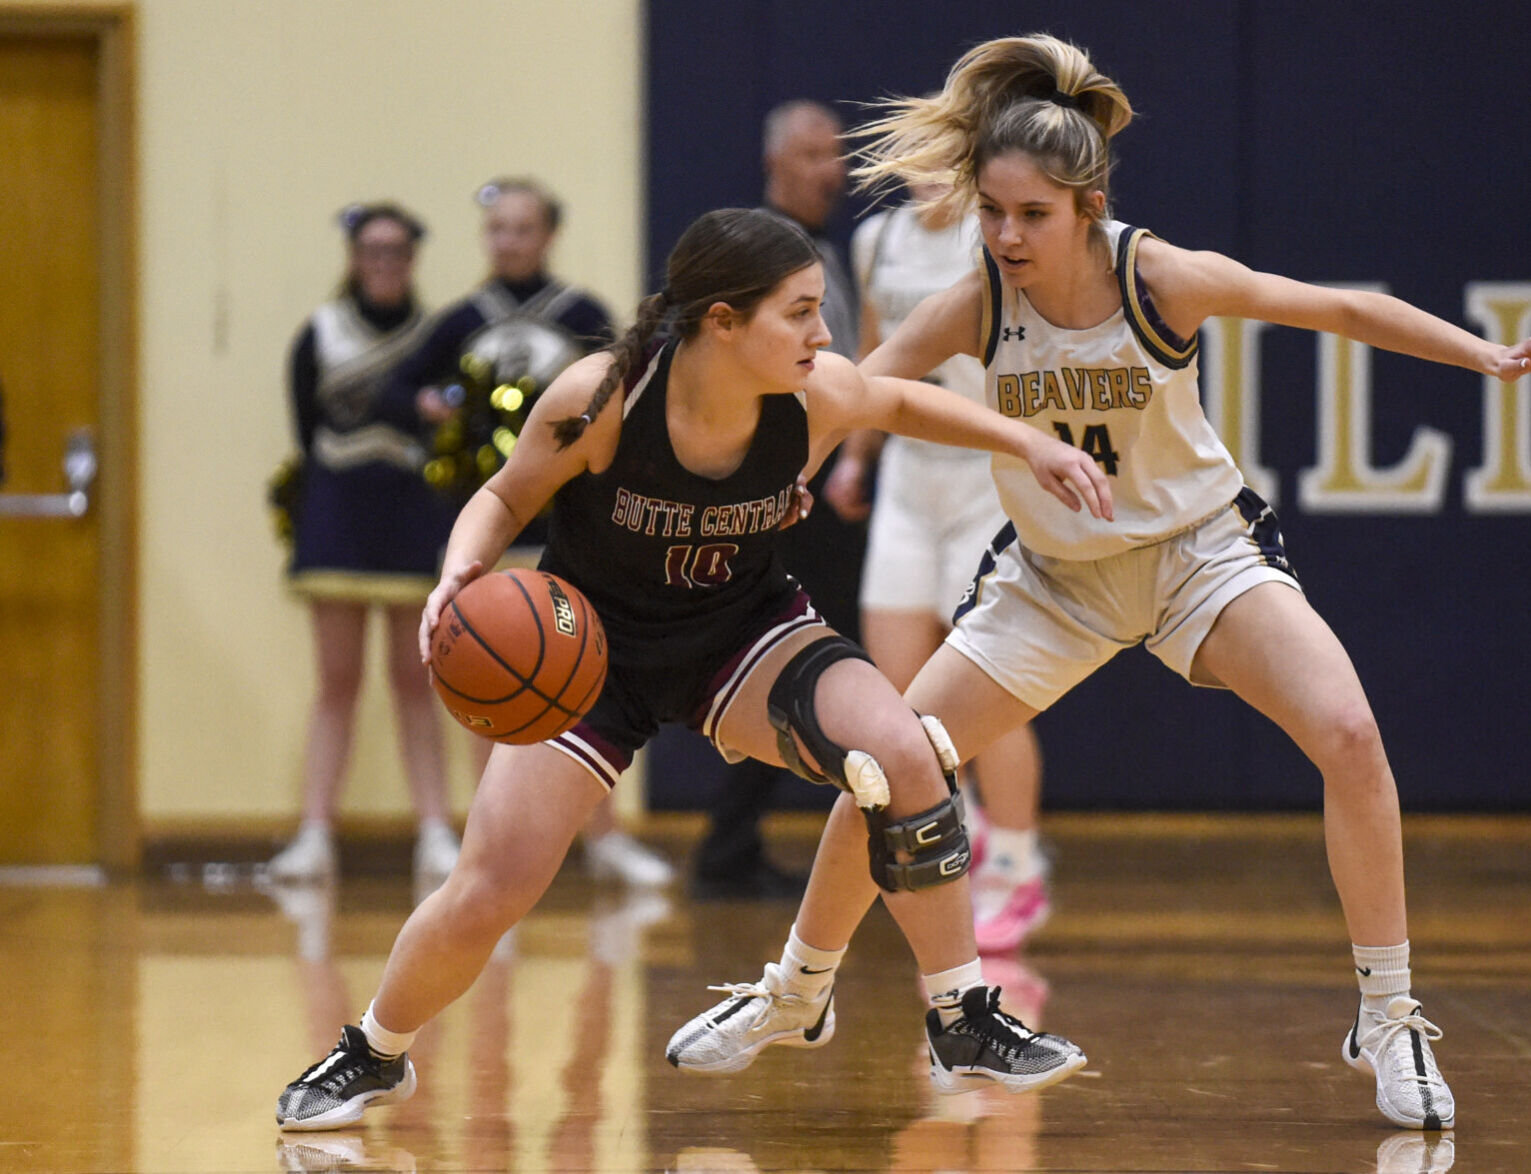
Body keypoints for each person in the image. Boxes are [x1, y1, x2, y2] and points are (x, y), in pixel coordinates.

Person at [679, 34, 1531, 1133]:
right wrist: (745, 457)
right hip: (1051, 581)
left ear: (1089, 203)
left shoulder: (1156, 276)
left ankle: (1390, 1013)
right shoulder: (980, 301)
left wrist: (1488, 356)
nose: (1006, 236)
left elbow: (1339, 310)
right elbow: (853, 391)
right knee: (885, 766)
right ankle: (797, 991)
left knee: (1350, 735)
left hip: (1197, 559)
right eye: (991, 212)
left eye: (1030, 214)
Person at [274, 207, 1107, 1131]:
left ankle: (962, 1014)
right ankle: (375, 1050)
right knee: (492, 886)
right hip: (592, 653)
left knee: (907, 757)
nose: (822, 334)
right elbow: (505, 494)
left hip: (740, 636)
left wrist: (1031, 443)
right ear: (721, 320)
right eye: (797, 313)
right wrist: (460, 571)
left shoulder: (810, 395)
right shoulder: (604, 398)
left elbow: (901, 399)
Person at [384, 177, 673, 887]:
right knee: (496, 680)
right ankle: (485, 847)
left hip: (571, 527)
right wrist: (430, 407)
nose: (509, 240)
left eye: (522, 228)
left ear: (548, 235)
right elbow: (399, 389)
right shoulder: (457, 323)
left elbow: (629, 392)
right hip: (489, 523)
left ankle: (604, 840)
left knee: (586, 687)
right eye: (498, 229)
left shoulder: (580, 314)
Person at [824, 184, 1052, 952]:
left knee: (986, 686)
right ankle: (972, 830)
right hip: (908, 479)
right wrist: (854, 455)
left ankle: (1019, 866)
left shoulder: (993, 237)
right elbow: (873, 357)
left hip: (982, 477)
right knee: (897, 696)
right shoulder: (877, 240)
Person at [690, 101, 866, 899]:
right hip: (782, 485)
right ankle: (727, 846)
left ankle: (734, 845)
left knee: (824, 659)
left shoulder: (835, 249)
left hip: (834, 475)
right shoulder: (752, 256)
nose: (831, 168)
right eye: (813, 154)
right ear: (775, 164)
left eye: (836, 155)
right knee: (794, 656)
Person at [268, 203, 462, 884]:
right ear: (353, 257)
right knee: (337, 683)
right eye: (372, 251)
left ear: (413, 259)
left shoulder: (436, 335)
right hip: (339, 517)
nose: (385, 264)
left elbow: (453, 427)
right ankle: (315, 833)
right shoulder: (319, 333)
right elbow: (305, 430)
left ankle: (436, 832)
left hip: (412, 515)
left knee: (417, 681)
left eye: (397, 252)